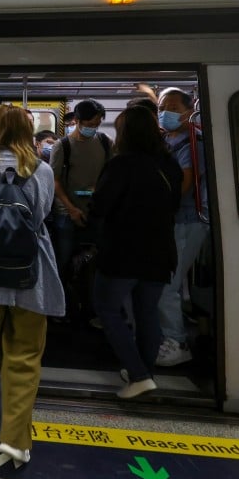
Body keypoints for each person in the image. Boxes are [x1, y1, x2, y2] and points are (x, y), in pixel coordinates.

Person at [0, 105, 64, 469]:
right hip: (33, 278)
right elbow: (42, 214)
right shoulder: (41, 169)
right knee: (25, 357)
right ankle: (14, 441)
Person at [89, 107, 182, 399]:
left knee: (107, 309)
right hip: (160, 250)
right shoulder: (170, 165)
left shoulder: (121, 165)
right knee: (147, 313)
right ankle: (144, 373)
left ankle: (139, 374)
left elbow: (100, 207)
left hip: (123, 251)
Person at [156, 87, 209, 367]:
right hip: (176, 221)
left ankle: (177, 342)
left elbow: (184, 187)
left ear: (190, 111)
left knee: (167, 284)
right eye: (163, 107)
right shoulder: (170, 140)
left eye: (175, 107)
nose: (166, 112)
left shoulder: (192, 143)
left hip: (186, 220)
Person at [49, 99, 111, 324]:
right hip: (66, 212)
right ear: (76, 121)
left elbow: (110, 174)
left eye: (97, 123)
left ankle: (92, 307)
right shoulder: (62, 146)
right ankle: (60, 307)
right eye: (89, 123)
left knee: (96, 262)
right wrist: (71, 208)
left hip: (94, 211)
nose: (93, 128)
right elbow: (55, 181)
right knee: (63, 261)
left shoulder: (104, 142)